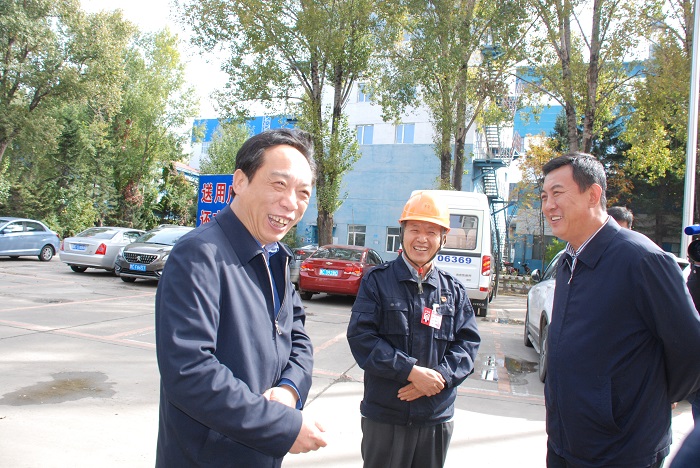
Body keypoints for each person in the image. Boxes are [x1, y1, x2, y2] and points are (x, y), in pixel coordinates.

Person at [154, 128, 327, 467]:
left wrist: (289, 389)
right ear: (240, 181)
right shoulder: (199, 254)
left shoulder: (276, 256)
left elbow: (298, 338)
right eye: (278, 184)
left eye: (303, 193)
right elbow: (190, 372)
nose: (291, 203)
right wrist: (281, 425)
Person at [540, 153, 700, 467]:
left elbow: (691, 349)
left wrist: (646, 400)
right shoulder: (569, 260)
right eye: (544, 196)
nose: (548, 206)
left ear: (593, 195)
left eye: (557, 193)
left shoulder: (642, 259)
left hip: (621, 451)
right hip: (563, 444)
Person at [346, 191, 481, 468]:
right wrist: (410, 372)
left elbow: (467, 345)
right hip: (386, 415)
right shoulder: (376, 281)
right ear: (402, 233)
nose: (422, 239)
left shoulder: (453, 290)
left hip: (435, 416)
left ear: (443, 238)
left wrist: (438, 378)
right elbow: (362, 338)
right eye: (415, 229)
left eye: (431, 232)